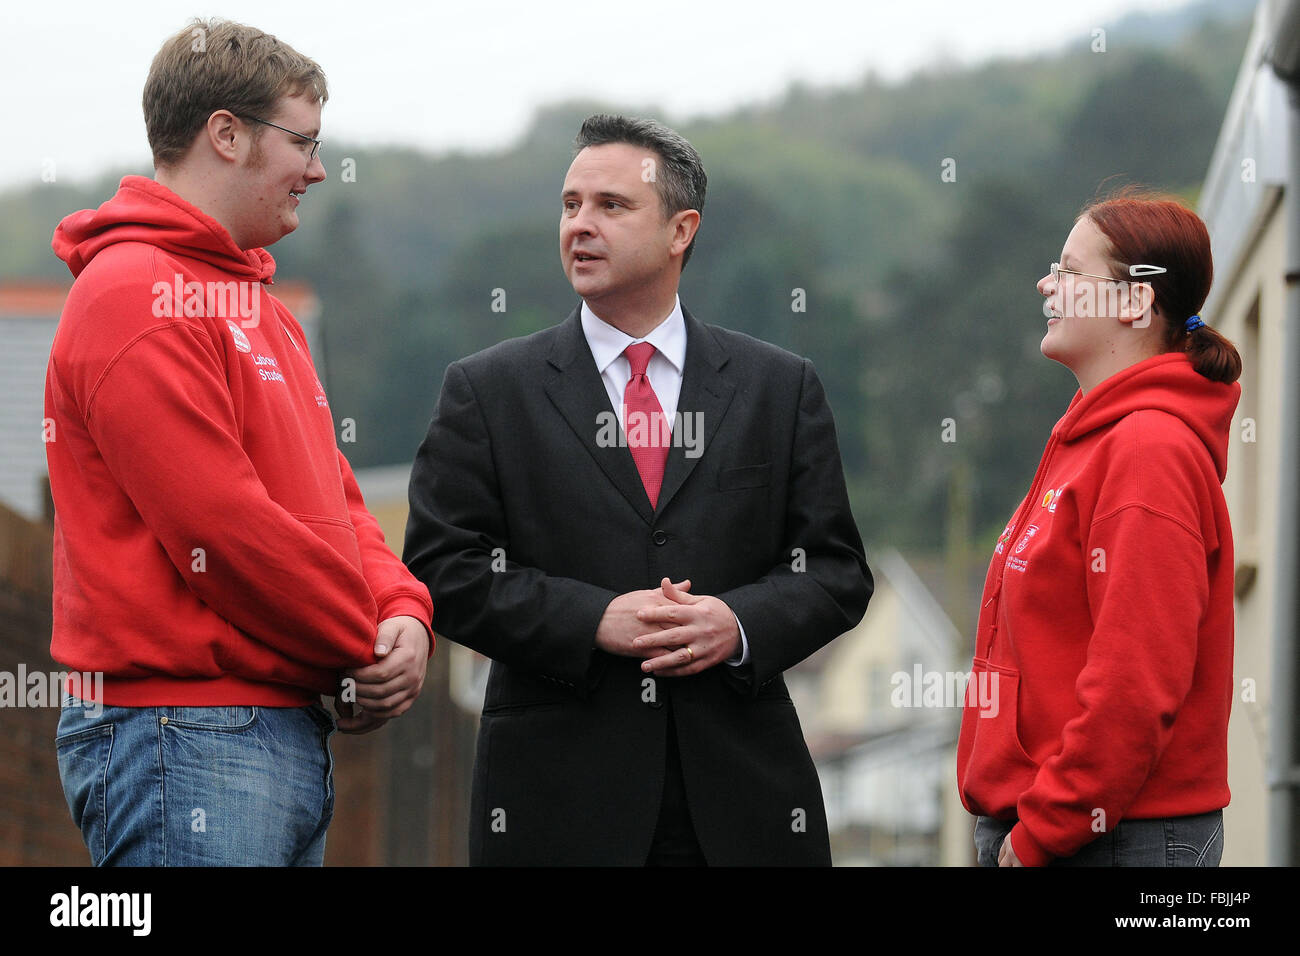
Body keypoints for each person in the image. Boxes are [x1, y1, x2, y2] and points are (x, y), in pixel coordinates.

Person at [403, 114, 872, 866]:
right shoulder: (488, 392)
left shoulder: (778, 388)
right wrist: (593, 618)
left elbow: (836, 571)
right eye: (570, 205)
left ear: (681, 229)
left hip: (742, 807)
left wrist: (737, 622)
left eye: (611, 206)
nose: (580, 226)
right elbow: (439, 571)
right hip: (556, 809)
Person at [45, 18, 433, 866]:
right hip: (181, 734)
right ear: (226, 134)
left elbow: (339, 503)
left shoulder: (265, 313)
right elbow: (219, 530)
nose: (319, 169)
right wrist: (364, 642)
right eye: (303, 140)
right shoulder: (134, 292)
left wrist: (404, 611)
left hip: (252, 730)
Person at [956, 189, 1242, 867]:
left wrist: (1041, 834)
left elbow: (1133, 685)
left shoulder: (1147, 450)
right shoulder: (1095, 437)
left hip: (1106, 839)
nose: (1045, 283)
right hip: (1073, 830)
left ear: (1135, 302)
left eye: (1069, 270)